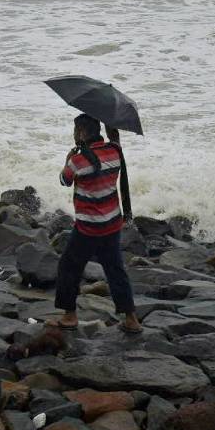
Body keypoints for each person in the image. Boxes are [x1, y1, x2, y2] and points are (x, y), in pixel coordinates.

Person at [52, 113, 141, 333]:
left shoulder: (78, 160)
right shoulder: (114, 151)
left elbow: (64, 180)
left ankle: (70, 315)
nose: (73, 135)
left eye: (75, 131)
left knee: (69, 266)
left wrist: (68, 159)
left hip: (87, 227)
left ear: (82, 133)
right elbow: (115, 144)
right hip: (111, 223)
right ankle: (131, 318)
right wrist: (113, 133)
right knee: (115, 269)